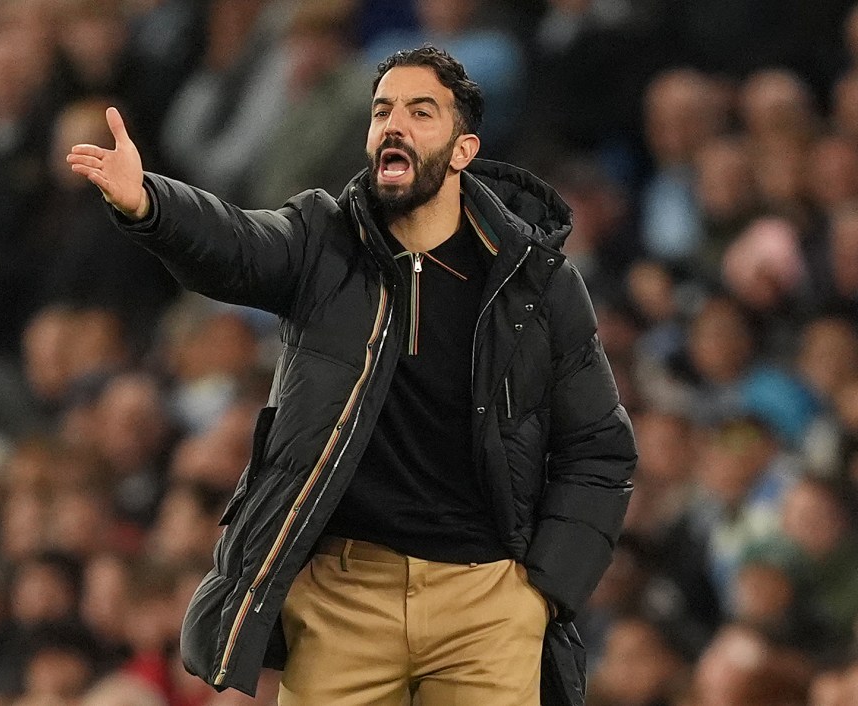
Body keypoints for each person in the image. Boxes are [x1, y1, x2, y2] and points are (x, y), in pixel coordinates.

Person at [67, 45, 637, 706]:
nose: (394, 125)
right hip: (343, 595)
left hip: (488, 600)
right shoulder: (323, 240)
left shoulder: (538, 285)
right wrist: (150, 203)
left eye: (421, 112)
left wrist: (544, 592)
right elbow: (237, 247)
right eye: (382, 111)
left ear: (462, 148)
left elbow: (599, 449)